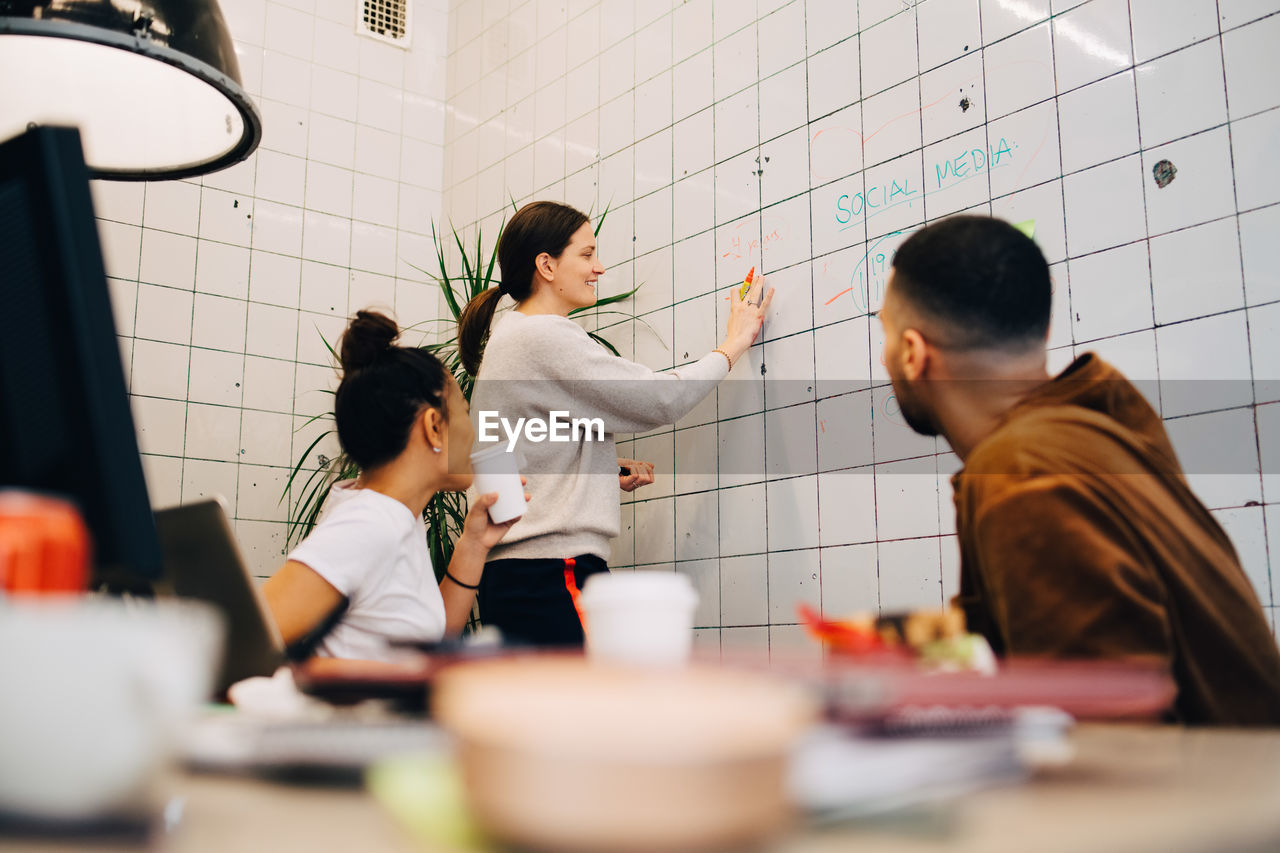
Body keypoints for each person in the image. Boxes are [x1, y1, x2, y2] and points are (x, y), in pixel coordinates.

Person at [876, 214, 1280, 725]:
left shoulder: (1019, 473)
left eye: (885, 335)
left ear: (912, 353)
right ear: (1040, 329)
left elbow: (1111, 747)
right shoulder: (1097, 420)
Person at [457, 201, 773, 646]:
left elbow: (514, 444)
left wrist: (598, 466)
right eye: (586, 254)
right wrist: (733, 343)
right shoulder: (541, 335)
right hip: (550, 572)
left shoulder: (509, 337)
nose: (599, 267)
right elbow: (659, 399)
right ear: (546, 265)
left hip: (515, 577)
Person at [263, 310, 521, 661]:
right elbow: (250, 640)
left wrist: (473, 546)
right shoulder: (370, 522)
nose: (474, 431)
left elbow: (424, 641)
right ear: (433, 426)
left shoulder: (394, 518)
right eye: (463, 411)